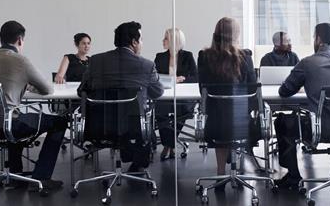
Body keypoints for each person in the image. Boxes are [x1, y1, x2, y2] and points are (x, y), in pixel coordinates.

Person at [0, 20, 67, 191]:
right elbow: (47, 89)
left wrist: (22, 83)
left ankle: (16, 176)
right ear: (19, 40)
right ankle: (41, 177)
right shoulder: (20, 60)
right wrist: (27, 83)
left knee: (13, 118)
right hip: (8, 123)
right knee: (59, 122)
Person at [275, 23, 330, 189]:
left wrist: (306, 84)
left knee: (282, 122)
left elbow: (284, 91)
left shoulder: (308, 63)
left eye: (314, 37)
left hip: (321, 128)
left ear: (319, 39)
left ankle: (293, 176)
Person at [77, 21, 164, 172]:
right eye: (141, 40)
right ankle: (137, 165)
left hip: (99, 126)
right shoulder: (146, 65)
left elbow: (82, 90)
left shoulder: (96, 61)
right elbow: (157, 92)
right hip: (134, 128)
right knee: (142, 115)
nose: (142, 43)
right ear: (134, 42)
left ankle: (130, 159)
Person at [196, 17, 257, 176]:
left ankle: (221, 171)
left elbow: (202, 90)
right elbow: (252, 90)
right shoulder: (245, 57)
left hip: (214, 123)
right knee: (232, 122)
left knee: (221, 123)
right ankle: (237, 168)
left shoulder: (204, 56)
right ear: (236, 35)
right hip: (241, 123)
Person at [154, 28, 197, 161]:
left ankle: (168, 145)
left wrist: (182, 79)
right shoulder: (160, 57)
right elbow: (154, 77)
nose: (163, 41)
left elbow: (196, 77)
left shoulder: (187, 56)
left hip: (183, 96)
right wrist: (170, 80)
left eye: (165, 38)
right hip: (165, 95)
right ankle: (170, 145)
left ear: (174, 41)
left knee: (180, 109)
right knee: (161, 110)